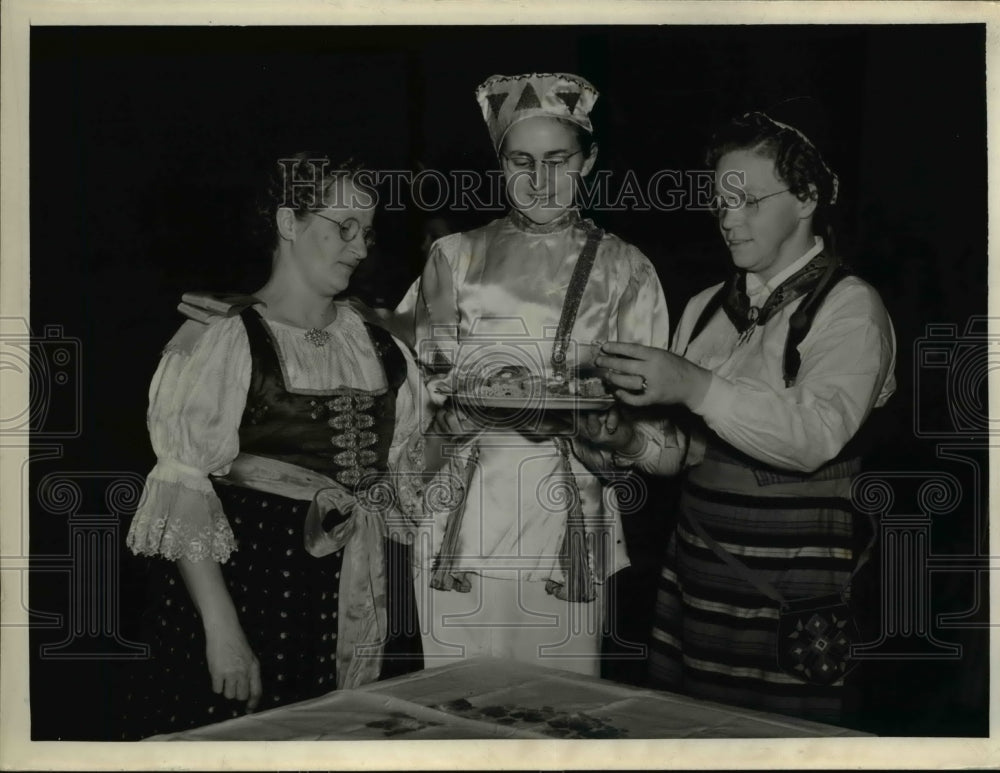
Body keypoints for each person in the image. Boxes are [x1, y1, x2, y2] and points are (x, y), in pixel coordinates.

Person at [594, 111, 897, 723]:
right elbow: (681, 454)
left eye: (748, 201)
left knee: (780, 740)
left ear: (807, 198)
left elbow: (814, 436)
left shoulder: (849, 307)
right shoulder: (706, 307)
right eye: (719, 202)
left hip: (792, 588)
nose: (728, 218)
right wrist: (626, 439)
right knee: (686, 734)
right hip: (699, 582)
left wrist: (694, 384)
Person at [121, 153, 435, 739]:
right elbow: (183, 490)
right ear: (289, 222)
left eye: (366, 231)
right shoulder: (224, 338)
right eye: (342, 227)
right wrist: (223, 633)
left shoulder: (383, 346)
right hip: (256, 592)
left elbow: (407, 478)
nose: (360, 247)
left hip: (364, 593)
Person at [394, 73, 672, 677]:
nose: (540, 180)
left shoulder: (625, 269)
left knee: (561, 711)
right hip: (459, 525)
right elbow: (415, 388)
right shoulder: (454, 258)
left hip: (563, 528)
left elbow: (647, 421)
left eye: (558, 160)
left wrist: (606, 430)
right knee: (453, 704)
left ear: (589, 160)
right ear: (499, 163)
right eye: (521, 161)